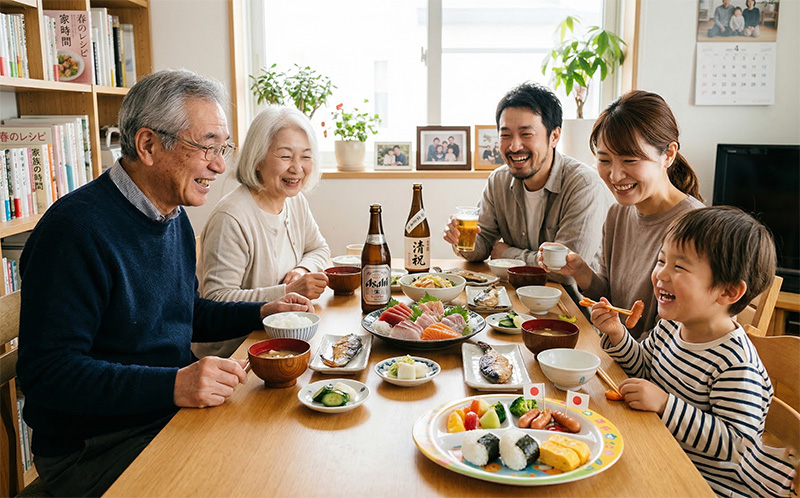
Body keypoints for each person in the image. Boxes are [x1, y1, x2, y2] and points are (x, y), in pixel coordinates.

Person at [15, 69, 314, 497]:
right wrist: (174, 384)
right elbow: (48, 374)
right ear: (148, 145)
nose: (220, 165)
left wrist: (262, 311)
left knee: (281, 450)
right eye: (207, 147)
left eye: (223, 148)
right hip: (94, 447)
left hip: (162, 414)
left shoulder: (171, 216)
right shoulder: (74, 231)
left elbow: (185, 312)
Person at [589, 206, 777, 498]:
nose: (660, 274)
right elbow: (644, 368)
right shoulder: (671, 325)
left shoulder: (736, 364)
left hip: (708, 485)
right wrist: (617, 334)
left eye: (679, 267)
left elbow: (736, 445)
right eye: (662, 260)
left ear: (728, 292)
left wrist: (666, 405)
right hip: (662, 453)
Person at [538, 90, 705, 339]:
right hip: (617, 349)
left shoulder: (696, 229)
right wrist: (580, 271)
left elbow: (677, 339)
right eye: (604, 160)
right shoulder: (619, 213)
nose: (615, 176)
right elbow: (610, 299)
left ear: (668, 155)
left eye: (630, 160)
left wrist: (617, 346)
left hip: (650, 360)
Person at [442, 82, 612, 295]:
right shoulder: (499, 180)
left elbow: (565, 271)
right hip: (514, 296)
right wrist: (461, 239)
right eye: (505, 135)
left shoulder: (583, 185)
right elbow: (483, 245)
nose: (514, 146)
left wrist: (508, 254)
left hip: (571, 306)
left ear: (554, 136)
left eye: (526, 134)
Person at [197, 106, 330, 357]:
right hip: (234, 352)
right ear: (257, 159)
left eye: (306, 156)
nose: (297, 168)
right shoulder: (232, 217)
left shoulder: (294, 201)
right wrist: (287, 292)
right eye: (285, 156)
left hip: (280, 340)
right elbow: (216, 300)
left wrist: (302, 270)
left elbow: (318, 248)